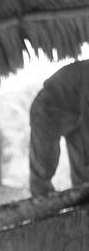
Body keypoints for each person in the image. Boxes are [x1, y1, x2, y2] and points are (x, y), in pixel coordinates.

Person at [29, 60, 89, 197]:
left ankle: (83, 205)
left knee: (84, 174)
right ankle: (42, 207)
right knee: (43, 167)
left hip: (75, 116)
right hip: (46, 110)